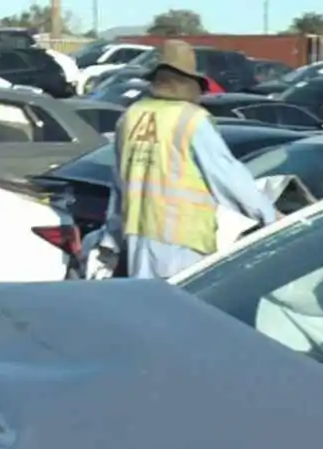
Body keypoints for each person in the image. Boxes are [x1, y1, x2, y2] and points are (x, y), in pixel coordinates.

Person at [106, 40, 276, 280]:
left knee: (143, 310)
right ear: (190, 83)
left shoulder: (131, 116)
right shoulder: (192, 120)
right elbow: (227, 177)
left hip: (136, 236)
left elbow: (119, 182)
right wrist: (269, 216)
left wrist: (111, 234)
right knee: (177, 311)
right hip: (182, 241)